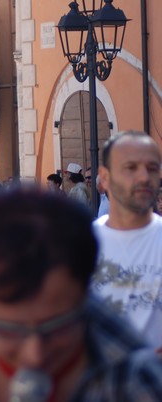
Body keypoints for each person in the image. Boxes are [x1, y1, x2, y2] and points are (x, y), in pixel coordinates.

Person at [0, 189, 162, 401]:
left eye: (58, 325)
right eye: (10, 329)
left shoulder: (136, 379)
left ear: (84, 294)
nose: (35, 354)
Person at [91, 131, 162, 350]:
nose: (143, 177)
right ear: (104, 177)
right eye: (131, 168)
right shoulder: (81, 246)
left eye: (152, 168)